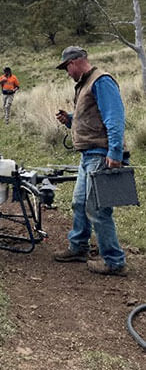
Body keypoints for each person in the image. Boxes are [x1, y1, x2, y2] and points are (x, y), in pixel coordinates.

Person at [54, 45, 127, 276]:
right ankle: (78, 247)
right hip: (88, 155)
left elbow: (114, 118)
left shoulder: (101, 81)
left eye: (67, 67)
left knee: (97, 209)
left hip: (100, 155)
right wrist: (70, 120)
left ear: (75, 62)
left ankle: (114, 261)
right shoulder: (86, 84)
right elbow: (91, 117)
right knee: (79, 203)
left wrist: (115, 153)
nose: (67, 72)